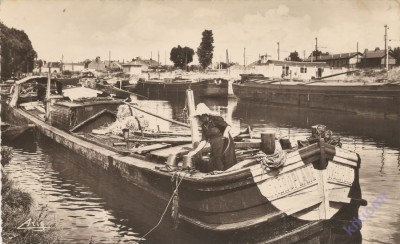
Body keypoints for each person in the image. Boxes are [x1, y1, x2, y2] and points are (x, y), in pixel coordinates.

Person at [187, 103, 237, 173]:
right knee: (213, 162)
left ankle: (228, 174)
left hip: (224, 143)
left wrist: (225, 132)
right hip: (214, 146)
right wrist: (195, 151)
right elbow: (204, 141)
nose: (202, 117)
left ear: (206, 114)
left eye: (203, 115)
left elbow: (228, 126)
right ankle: (216, 176)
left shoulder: (215, 119)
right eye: (200, 116)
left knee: (225, 162)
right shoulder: (204, 126)